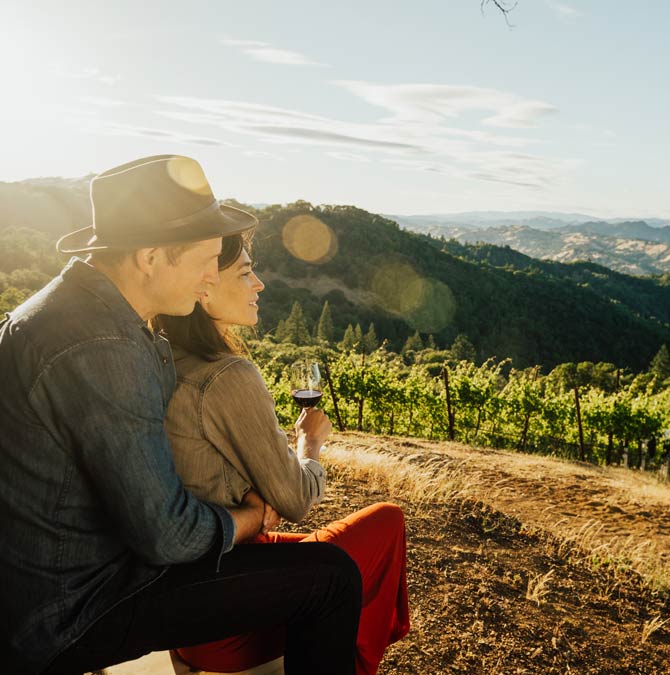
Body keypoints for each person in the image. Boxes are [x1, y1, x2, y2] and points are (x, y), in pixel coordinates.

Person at [0, 155, 362, 675]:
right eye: (207, 258)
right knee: (331, 578)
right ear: (150, 256)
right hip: (74, 609)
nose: (209, 277)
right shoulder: (101, 348)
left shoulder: (71, 311)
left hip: (52, 588)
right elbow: (167, 536)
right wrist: (252, 518)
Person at [153, 232, 410, 675]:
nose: (261, 285)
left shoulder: (161, 356)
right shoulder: (227, 375)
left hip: (187, 596)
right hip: (227, 613)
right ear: (205, 285)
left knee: (352, 548)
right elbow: (293, 501)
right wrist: (309, 446)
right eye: (247, 272)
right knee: (387, 522)